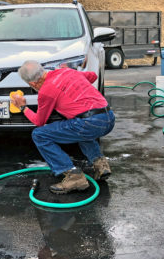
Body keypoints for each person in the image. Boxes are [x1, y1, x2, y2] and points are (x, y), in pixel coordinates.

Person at [11, 60, 115, 194]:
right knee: (79, 128)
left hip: (89, 123)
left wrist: (22, 107)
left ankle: (73, 175)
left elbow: (39, 121)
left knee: (39, 134)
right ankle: (100, 165)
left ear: (33, 84)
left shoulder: (46, 90)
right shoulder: (67, 71)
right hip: (108, 117)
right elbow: (93, 76)